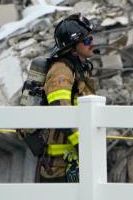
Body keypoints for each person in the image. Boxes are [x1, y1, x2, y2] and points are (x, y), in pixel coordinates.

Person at [38, 14, 97, 190]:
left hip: (73, 159)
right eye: (86, 41)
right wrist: (83, 144)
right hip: (58, 164)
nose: (91, 43)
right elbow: (60, 110)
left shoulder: (79, 69)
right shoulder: (61, 71)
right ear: (72, 48)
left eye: (90, 39)